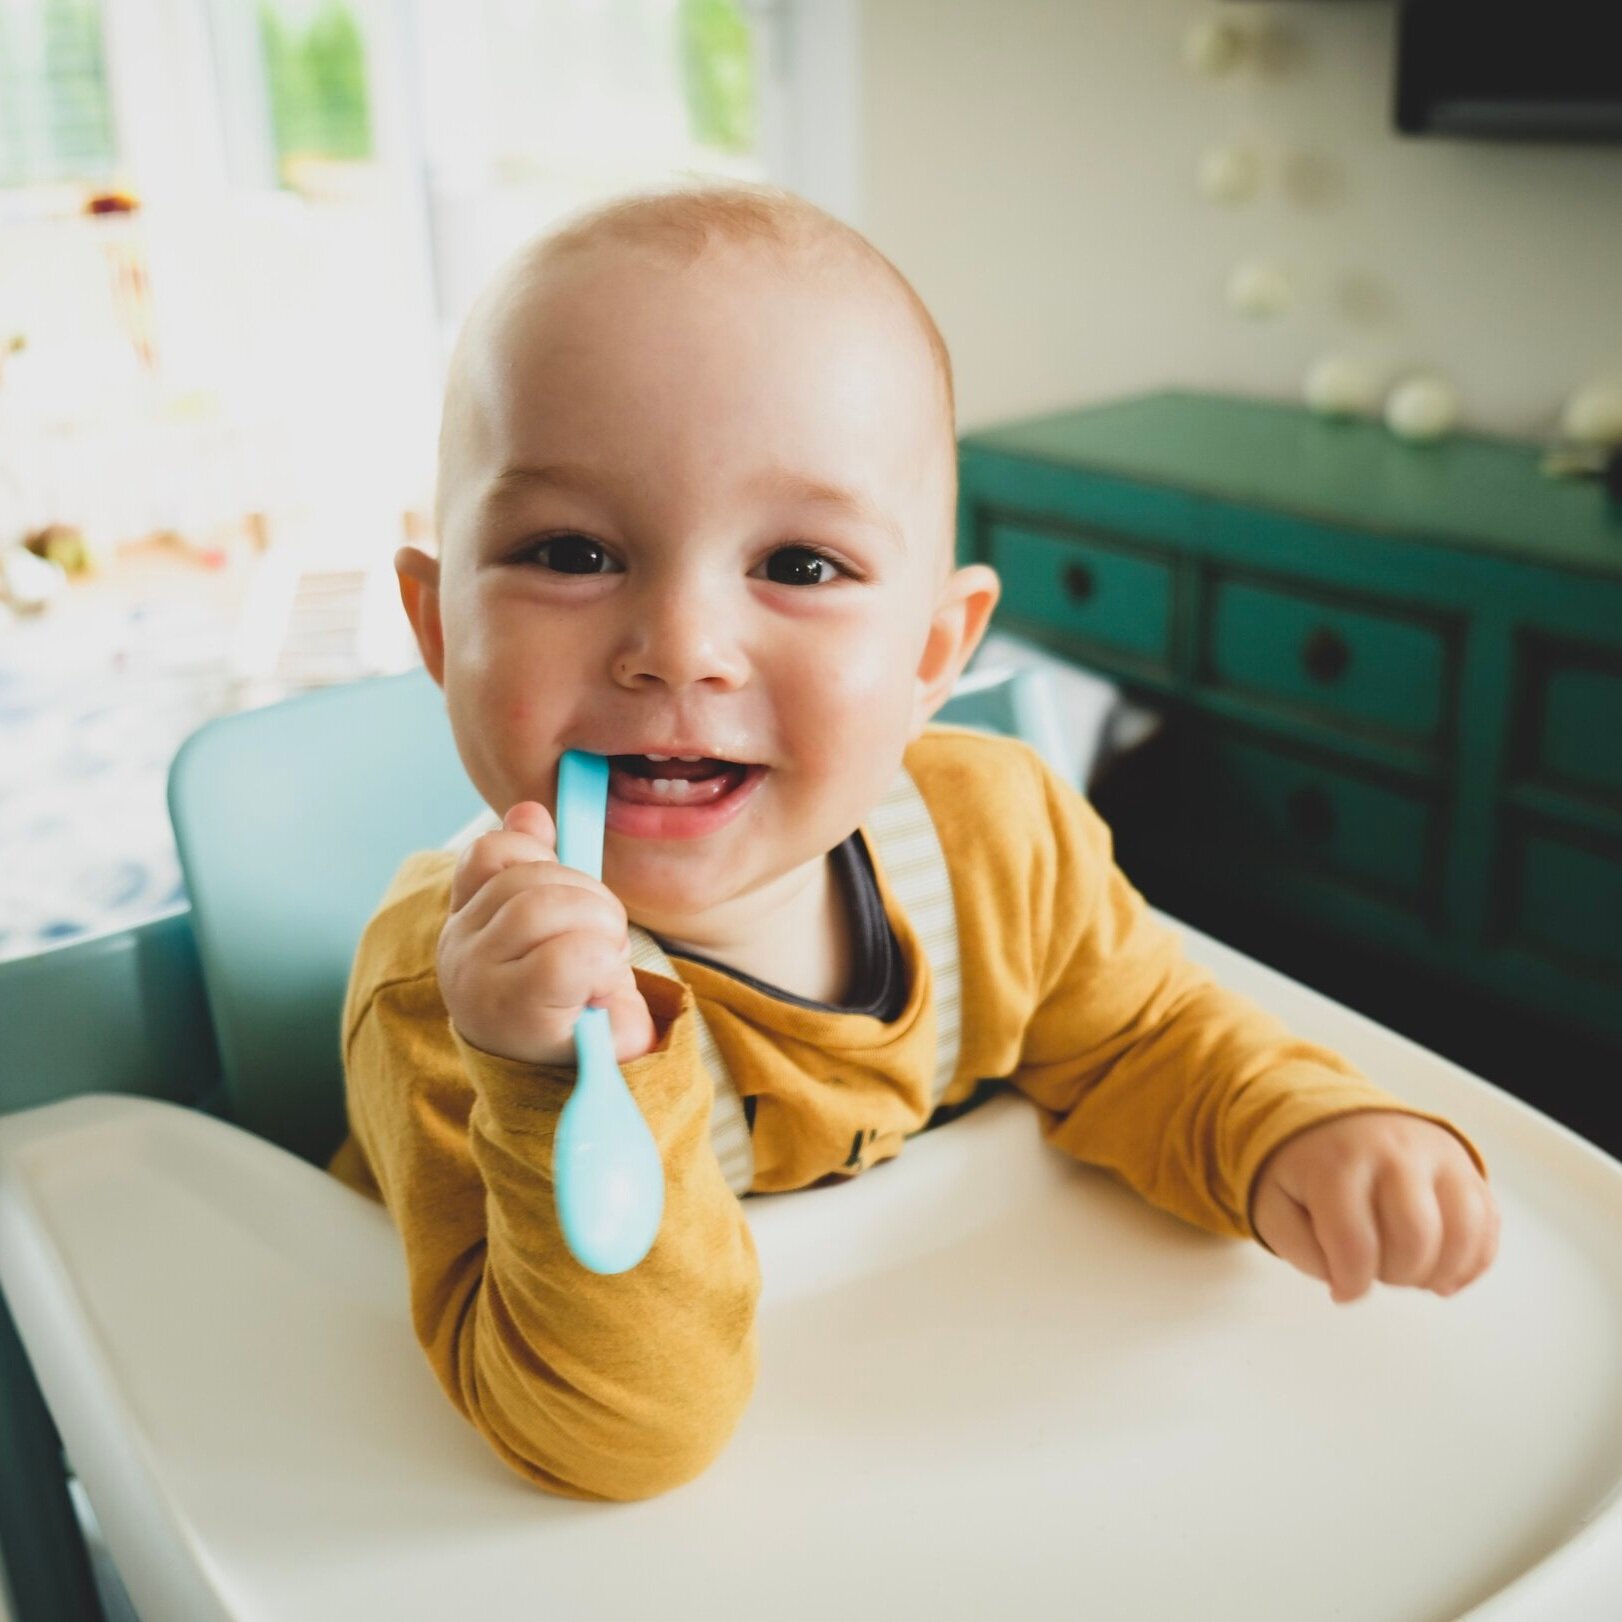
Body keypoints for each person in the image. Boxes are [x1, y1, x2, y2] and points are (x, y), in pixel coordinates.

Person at [325, 183, 1498, 1503]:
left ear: (938, 651)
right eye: (570, 549)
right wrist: (550, 1072)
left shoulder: (992, 841)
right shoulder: (446, 997)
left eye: (801, 564)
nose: (682, 648)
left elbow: (1139, 1039)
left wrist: (1298, 1129)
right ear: (435, 627)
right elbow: (612, 1435)